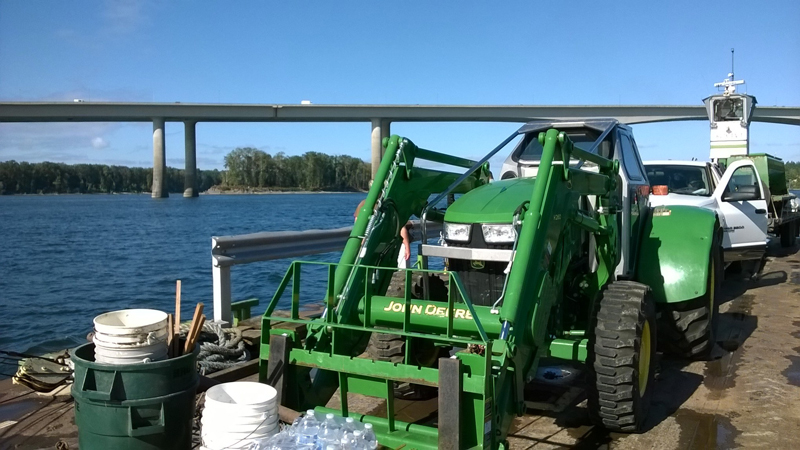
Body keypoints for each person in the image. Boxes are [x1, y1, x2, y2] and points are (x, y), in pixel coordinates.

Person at [354, 199, 411, 268]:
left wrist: (406, 247)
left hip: (374, 244)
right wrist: (407, 247)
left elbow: (358, 225)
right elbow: (401, 226)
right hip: (386, 245)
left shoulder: (365, 203)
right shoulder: (391, 203)